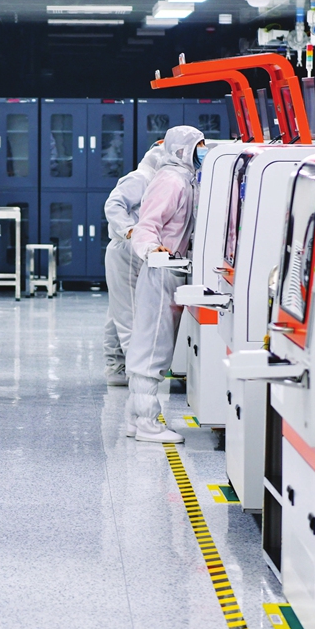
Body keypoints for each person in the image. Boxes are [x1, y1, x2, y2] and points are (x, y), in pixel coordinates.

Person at [123, 126, 207, 443]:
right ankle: (147, 422)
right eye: (199, 146)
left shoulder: (183, 178)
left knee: (152, 341)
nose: (203, 151)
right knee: (154, 345)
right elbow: (147, 225)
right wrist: (151, 250)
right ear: (182, 149)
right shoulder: (171, 180)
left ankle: (136, 419)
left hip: (170, 268)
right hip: (161, 269)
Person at [102, 141, 167, 385]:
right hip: (125, 247)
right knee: (130, 313)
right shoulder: (140, 178)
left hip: (129, 248)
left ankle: (116, 367)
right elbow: (114, 204)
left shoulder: (150, 179)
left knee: (118, 311)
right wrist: (130, 231)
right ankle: (136, 375)